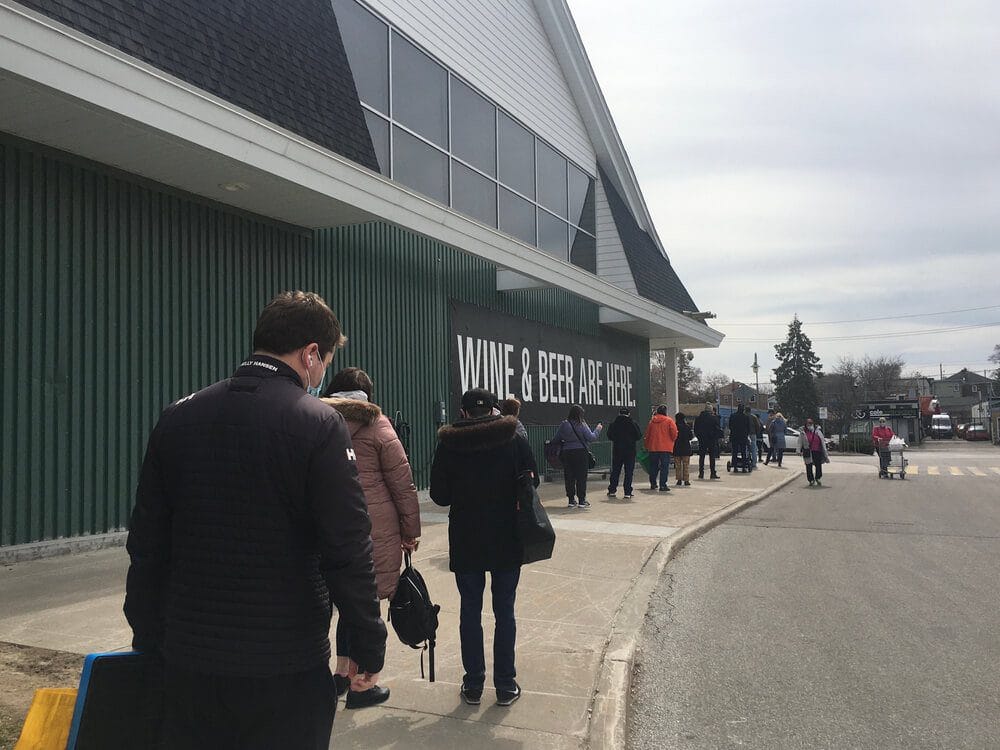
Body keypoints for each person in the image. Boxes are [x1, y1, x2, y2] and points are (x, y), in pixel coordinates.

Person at [124, 291, 386, 750]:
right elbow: (347, 546)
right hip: (284, 664)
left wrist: (146, 630)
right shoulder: (320, 424)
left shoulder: (178, 416)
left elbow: (147, 544)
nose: (321, 374)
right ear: (309, 354)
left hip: (189, 659)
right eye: (323, 361)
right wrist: (367, 640)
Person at [430, 388, 539, 708]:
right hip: (507, 537)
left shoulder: (449, 444)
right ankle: (505, 685)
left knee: (469, 611)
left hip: (466, 539)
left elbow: (440, 495)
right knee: (505, 611)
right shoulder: (513, 438)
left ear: (463, 413)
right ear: (495, 411)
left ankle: (473, 683)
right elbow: (531, 484)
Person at [321, 367, 421, 709]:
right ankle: (363, 685)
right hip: (372, 530)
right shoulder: (378, 425)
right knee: (364, 607)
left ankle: (341, 675)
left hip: (327, 528)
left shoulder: (317, 420)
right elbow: (402, 484)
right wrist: (411, 532)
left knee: (341, 605)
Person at [552, 405, 602, 508]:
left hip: (567, 453)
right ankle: (582, 501)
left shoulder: (564, 424)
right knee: (581, 477)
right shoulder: (582, 424)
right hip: (580, 453)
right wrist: (598, 429)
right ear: (580, 414)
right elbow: (591, 438)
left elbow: (556, 439)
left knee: (569, 476)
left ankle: (571, 500)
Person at [606, 407, 642, 499]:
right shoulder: (633, 424)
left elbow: (609, 435)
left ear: (619, 413)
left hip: (617, 450)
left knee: (616, 471)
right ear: (628, 414)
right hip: (630, 451)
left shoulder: (614, 424)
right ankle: (627, 492)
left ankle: (612, 490)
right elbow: (638, 436)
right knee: (629, 472)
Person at [644, 405, 678, 491]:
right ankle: (663, 485)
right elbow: (674, 433)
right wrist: (671, 441)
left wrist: (647, 445)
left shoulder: (652, 421)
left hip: (653, 447)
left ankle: (653, 483)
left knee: (653, 466)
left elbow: (647, 435)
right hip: (665, 448)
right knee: (664, 467)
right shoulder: (669, 421)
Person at [799, 417, 830, 486]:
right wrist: (798, 450)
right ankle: (811, 479)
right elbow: (800, 441)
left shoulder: (818, 431)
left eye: (810, 423)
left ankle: (818, 477)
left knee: (818, 465)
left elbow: (822, 441)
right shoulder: (803, 432)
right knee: (808, 465)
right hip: (807, 451)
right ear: (806, 424)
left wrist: (825, 453)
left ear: (813, 423)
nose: (809, 424)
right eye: (808, 423)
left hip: (817, 450)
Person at [694, 403, 722, 480]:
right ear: (711, 410)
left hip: (702, 439)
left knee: (701, 456)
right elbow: (717, 429)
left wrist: (699, 437)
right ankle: (712, 473)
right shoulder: (714, 418)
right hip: (711, 439)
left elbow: (695, 429)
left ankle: (701, 473)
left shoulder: (698, 418)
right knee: (712, 456)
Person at [673, 412, 693, 486]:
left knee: (678, 466)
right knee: (686, 465)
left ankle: (679, 480)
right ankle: (686, 480)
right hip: (686, 448)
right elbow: (691, 437)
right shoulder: (687, 427)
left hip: (676, 448)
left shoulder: (674, 427)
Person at [728, 404, 751, 470]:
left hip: (734, 436)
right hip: (743, 436)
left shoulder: (732, 416)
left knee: (735, 451)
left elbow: (730, 426)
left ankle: (735, 466)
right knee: (743, 451)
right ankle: (744, 467)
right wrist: (746, 434)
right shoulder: (746, 417)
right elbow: (748, 427)